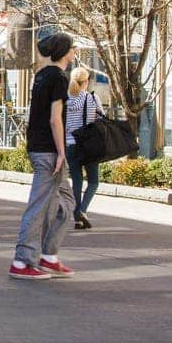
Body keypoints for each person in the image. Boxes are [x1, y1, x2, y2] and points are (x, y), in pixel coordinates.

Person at [10, 33, 78, 280]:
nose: (75, 52)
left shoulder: (41, 75)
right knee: (39, 206)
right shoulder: (59, 77)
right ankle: (22, 260)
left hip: (39, 147)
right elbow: (54, 118)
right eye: (73, 48)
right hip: (49, 151)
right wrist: (61, 152)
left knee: (66, 203)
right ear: (65, 51)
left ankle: (48, 256)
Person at [66, 65, 101, 230]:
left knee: (77, 181)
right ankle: (81, 211)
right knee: (94, 181)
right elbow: (97, 119)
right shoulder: (90, 98)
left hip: (70, 144)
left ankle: (78, 218)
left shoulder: (65, 99)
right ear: (85, 82)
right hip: (88, 146)